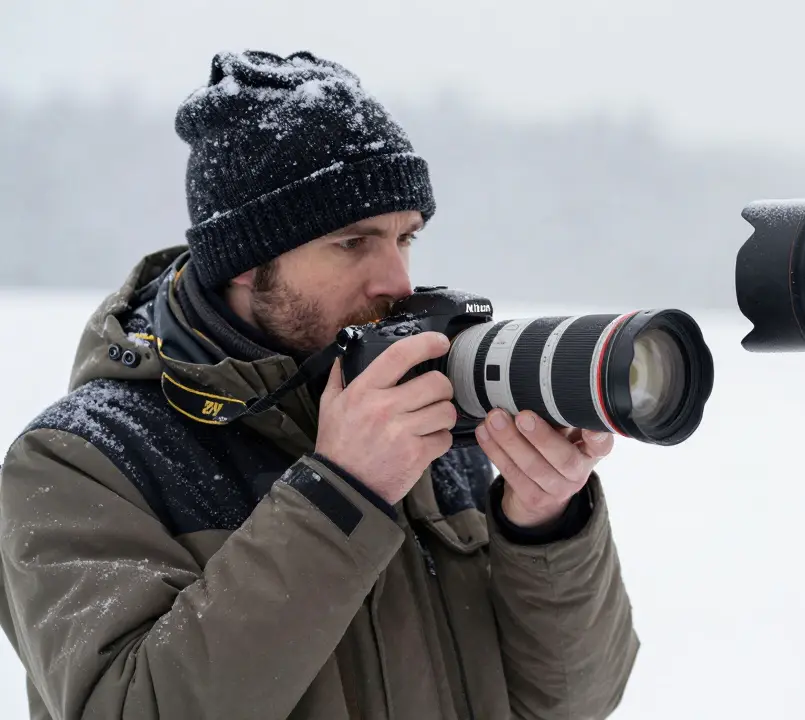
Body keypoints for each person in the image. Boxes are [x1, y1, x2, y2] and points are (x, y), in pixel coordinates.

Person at [0, 50, 639, 720]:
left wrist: (545, 527)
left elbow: (571, 703)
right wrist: (342, 493)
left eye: (405, 238)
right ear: (244, 261)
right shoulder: (81, 462)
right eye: (352, 243)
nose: (396, 280)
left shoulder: (433, 424)